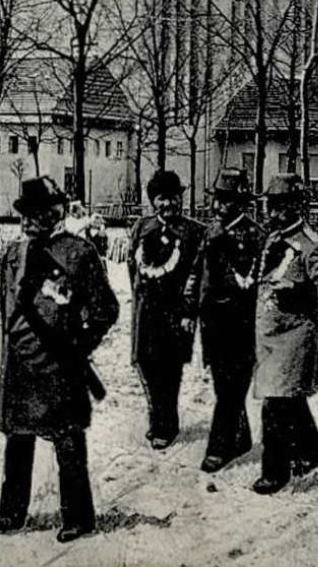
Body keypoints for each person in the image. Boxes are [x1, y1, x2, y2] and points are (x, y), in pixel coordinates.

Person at [0, 176, 119, 544]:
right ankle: (11, 512)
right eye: (26, 214)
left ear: (55, 212)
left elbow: (106, 309)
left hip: (61, 365)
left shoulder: (78, 253)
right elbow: (8, 313)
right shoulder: (13, 255)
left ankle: (78, 517)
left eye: (39, 212)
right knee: (18, 441)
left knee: (68, 443)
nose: (30, 220)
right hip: (20, 366)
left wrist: (80, 345)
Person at [252, 173, 318, 495]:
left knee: (276, 403)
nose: (273, 213)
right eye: (270, 206)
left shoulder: (312, 246)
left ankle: (274, 473)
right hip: (269, 337)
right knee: (289, 401)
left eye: (280, 207)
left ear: (296, 207)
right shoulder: (272, 239)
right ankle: (311, 454)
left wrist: (298, 290)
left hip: (294, 338)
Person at [126, 169, 205, 449]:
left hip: (175, 312)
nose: (168, 204)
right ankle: (157, 419)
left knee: (169, 369)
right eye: (161, 199)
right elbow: (131, 267)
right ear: (152, 201)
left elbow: (199, 276)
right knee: (146, 364)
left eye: (173, 198)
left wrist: (188, 311)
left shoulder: (194, 232)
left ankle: (166, 425)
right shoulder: (141, 228)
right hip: (146, 311)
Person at [195, 167, 262, 472]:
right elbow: (197, 274)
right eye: (218, 200)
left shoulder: (254, 235)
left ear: (242, 203)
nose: (221, 207)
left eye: (228, 201)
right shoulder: (209, 231)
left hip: (240, 323)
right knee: (225, 386)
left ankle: (219, 448)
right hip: (211, 323)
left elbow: (259, 281)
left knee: (233, 385)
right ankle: (241, 436)